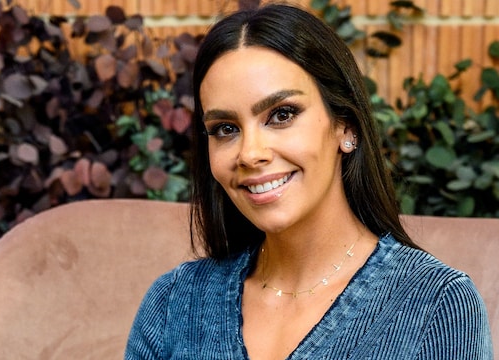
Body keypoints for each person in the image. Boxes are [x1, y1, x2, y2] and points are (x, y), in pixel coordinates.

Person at [125, 3, 493, 359]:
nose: (250, 153)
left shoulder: (437, 305)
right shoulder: (174, 302)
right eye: (225, 128)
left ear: (345, 126)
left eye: (282, 115)